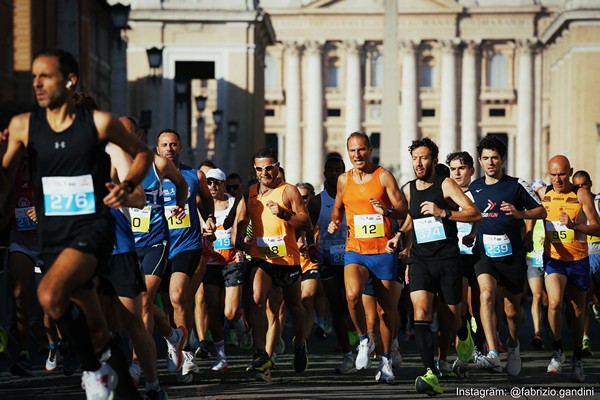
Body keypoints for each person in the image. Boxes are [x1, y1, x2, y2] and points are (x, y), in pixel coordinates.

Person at [0, 48, 153, 399]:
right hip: (52, 236)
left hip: (92, 231)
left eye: (46, 76)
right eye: (34, 76)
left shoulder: (99, 123)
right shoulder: (23, 125)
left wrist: (128, 186)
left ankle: (92, 371)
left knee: (48, 295)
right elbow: (5, 180)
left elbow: (142, 153)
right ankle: (117, 378)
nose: (37, 83)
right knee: (96, 327)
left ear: (69, 81)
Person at [386, 139, 481, 395]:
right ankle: (430, 373)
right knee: (422, 311)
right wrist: (399, 236)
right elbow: (410, 217)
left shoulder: (446, 184)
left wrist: (444, 213)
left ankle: (463, 331)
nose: (418, 163)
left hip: (448, 259)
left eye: (424, 158)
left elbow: (474, 213)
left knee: (452, 317)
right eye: (415, 158)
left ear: (434, 159)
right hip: (420, 260)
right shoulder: (409, 188)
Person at [328, 132, 408, 384]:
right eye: (352, 151)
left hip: (382, 251)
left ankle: (385, 360)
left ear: (370, 149)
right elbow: (338, 207)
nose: (357, 155)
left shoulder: (383, 176)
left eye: (361, 150)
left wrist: (386, 211)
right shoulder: (343, 180)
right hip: (356, 249)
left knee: (387, 310)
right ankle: (364, 339)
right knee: (351, 296)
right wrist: (334, 222)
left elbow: (403, 208)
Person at [469, 135, 546, 376]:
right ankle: (492, 352)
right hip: (484, 254)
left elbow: (542, 211)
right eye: (485, 158)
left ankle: (513, 345)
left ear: (503, 159)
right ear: (480, 161)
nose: (490, 162)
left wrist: (519, 213)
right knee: (487, 295)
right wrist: (471, 234)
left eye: (494, 158)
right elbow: (470, 213)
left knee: (512, 311)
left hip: (512, 255)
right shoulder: (474, 187)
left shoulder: (516, 185)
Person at [102, 116, 167, 399]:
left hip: (123, 245)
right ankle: (102, 376)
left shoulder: (115, 153)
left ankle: (151, 382)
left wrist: (119, 193)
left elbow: (139, 197)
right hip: (86, 245)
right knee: (98, 321)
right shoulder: (61, 154)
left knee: (136, 317)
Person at [235, 147, 311, 380]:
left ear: (277, 167)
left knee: (294, 306)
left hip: (287, 259)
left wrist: (285, 215)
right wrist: (239, 240)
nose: (265, 172)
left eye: (269, 167)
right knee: (257, 298)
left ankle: (300, 341)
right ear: (255, 170)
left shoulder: (288, 191)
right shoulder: (250, 192)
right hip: (262, 257)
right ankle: (260, 353)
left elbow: (306, 222)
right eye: (260, 168)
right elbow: (240, 219)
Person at [156, 129, 215, 382]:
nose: (169, 148)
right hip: (157, 245)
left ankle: (186, 352)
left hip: (187, 244)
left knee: (178, 296)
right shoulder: (149, 177)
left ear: (180, 147)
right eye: (164, 145)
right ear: (157, 149)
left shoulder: (194, 174)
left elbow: (205, 200)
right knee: (167, 304)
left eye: (173, 144)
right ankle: (174, 345)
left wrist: (209, 218)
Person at [535, 156, 600, 382]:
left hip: (578, 260)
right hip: (554, 259)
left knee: (577, 311)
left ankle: (577, 358)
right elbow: (531, 213)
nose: (557, 179)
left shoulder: (580, 195)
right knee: (553, 304)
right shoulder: (543, 194)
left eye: (562, 174)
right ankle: (557, 350)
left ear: (570, 172)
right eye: (553, 175)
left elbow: (597, 227)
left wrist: (575, 226)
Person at [307, 155, 356, 373]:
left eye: (339, 169)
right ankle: (347, 354)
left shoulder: (353, 197)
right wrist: (310, 247)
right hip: (328, 259)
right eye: (331, 170)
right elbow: (308, 227)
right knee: (337, 308)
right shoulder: (317, 201)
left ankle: (364, 341)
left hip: (353, 258)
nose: (335, 174)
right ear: (325, 173)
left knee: (353, 303)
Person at [202, 167, 245, 372]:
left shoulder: (234, 203)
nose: (212, 186)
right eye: (209, 183)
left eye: (216, 183)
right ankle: (221, 357)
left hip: (232, 260)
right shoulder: (202, 206)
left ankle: (239, 319)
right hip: (210, 262)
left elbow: (243, 225)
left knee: (230, 312)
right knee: (213, 310)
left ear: (224, 184)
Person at [445, 151, 482, 374]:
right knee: (459, 308)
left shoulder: (479, 193)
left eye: (461, 168)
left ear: (471, 170)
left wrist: (474, 233)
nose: (457, 173)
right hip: (454, 254)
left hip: (477, 254)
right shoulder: (446, 194)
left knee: (476, 306)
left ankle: (480, 346)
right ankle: (463, 355)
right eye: (453, 169)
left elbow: (480, 217)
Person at [572, 170, 600, 356]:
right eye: (578, 186)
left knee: (596, 298)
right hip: (581, 254)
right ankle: (584, 338)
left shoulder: (597, 201)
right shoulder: (571, 203)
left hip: (598, 251)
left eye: (585, 185)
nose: (582, 189)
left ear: (590, 183)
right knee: (583, 299)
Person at [525, 179, 548, 351]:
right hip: (533, 257)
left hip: (550, 256)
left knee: (550, 300)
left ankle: (548, 317)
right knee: (537, 296)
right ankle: (537, 333)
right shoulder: (528, 212)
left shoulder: (549, 210)